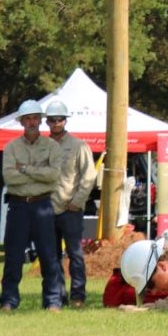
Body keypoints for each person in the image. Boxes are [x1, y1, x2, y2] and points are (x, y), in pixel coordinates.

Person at [0, 101, 63, 312]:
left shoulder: (52, 146)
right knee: (13, 256)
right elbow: (9, 177)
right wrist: (38, 172)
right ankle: (8, 300)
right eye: (28, 118)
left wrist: (24, 169)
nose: (32, 122)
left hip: (43, 204)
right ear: (21, 122)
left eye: (35, 118)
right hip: (18, 206)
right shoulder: (11, 147)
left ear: (41, 120)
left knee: (48, 255)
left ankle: (53, 300)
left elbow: (53, 176)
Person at [46, 98, 97, 309]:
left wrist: (77, 202)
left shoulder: (78, 145)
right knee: (52, 257)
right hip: (47, 209)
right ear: (47, 122)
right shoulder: (42, 146)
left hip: (70, 209)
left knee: (75, 255)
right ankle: (57, 296)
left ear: (65, 121)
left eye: (59, 119)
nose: (56, 123)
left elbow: (89, 176)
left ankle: (78, 296)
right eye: (51, 120)